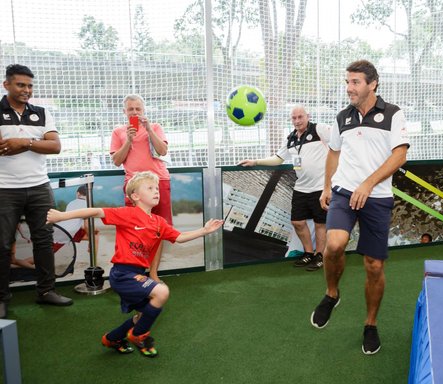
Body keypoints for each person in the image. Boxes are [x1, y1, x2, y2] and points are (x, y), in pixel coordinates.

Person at [46, 171, 223, 357]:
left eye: (157, 188)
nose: (156, 191)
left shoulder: (159, 222)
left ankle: (112, 339)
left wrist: (204, 230)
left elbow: (179, 237)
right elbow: (95, 211)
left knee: (141, 316)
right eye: (150, 188)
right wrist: (61, 216)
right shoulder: (127, 214)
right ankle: (139, 336)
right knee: (161, 292)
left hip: (139, 274)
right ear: (135, 196)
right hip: (122, 274)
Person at [310, 60, 409, 355]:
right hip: (344, 192)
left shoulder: (393, 114)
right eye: (347, 82)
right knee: (334, 244)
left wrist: (367, 184)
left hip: (376, 197)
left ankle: (370, 324)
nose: (349, 88)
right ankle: (331, 293)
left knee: (374, 266)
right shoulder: (343, 117)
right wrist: (327, 187)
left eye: (355, 82)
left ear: (372, 83)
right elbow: (334, 153)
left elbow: (399, 155)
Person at [0, 64, 74, 319]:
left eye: (30, 86)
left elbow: (55, 146)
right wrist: (36, 144)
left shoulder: (42, 113)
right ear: (6, 85)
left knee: (44, 240)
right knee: (2, 244)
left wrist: (24, 143)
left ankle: (46, 291)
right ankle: (1, 299)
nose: (27, 90)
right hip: (4, 188)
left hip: (39, 186)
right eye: (21, 85)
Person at [238, 105, 330, 272]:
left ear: (307, 116)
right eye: (294, 118)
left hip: (320, 187)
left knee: (320, 224)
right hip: (301, 187)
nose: (297, 121)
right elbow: (278, 159)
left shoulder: (320, 130)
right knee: (297, 222)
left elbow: (338, 146)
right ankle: (308, 253)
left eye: (300, 117)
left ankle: (319, 256)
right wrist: (255, 162)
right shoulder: (291, 139)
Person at [110, 94, 171, 283]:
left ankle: (153, 273)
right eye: (131, 109)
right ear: (124, 112)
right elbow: (116, 161)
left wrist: (149, 130)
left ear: (143, 110)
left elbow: (162, 151)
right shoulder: (118, 132)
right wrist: (128, 140)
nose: (134, 112)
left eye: (138, 109)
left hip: (158, 181)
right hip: (134, 185)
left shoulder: (156, 127)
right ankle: (134, 274)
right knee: (133, 231)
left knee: (158, 230)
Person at [57, 185, 100, 256]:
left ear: (78, 193)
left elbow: (73, 222)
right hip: (68, 233)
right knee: (94, 236)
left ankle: (92, 253)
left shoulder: (71, 203)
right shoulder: (87, 205)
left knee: (95, 233)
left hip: (63, 230)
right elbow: (87, 225)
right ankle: (94, 262)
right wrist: (91, 239)